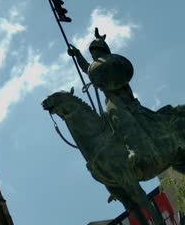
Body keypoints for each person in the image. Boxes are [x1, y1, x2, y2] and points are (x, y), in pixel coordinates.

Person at [67, 28, 160, 177]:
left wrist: (101, 41)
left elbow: (112, 66)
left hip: (122, 98)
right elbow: (87, 68)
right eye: (91, 53)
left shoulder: (111, 63)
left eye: (95, 52)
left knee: (116, 114)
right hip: (111, 100)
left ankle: (134, 150)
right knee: (106, 123)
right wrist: (77, 54)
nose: (93, 55)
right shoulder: (96, 67)